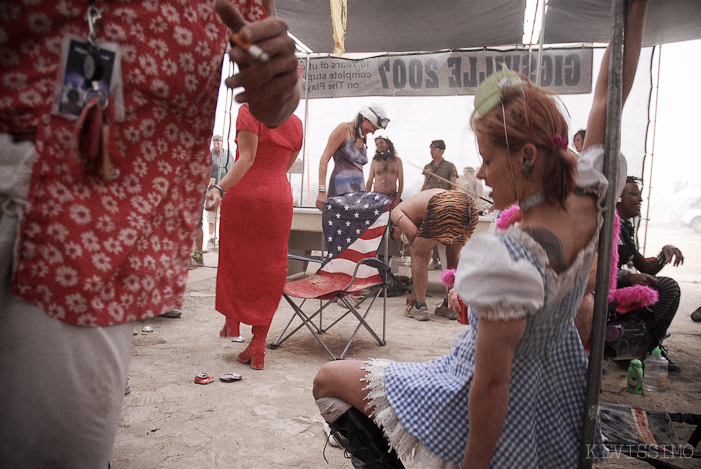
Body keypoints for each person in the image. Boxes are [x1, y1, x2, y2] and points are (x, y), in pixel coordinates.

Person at [312, 2, 648, 467]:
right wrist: (635, 9)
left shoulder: (511, 259)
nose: (484, 176)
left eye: (488, 161)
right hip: (556, 381)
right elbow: (609, 96)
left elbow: (490, 386)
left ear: (526, 156)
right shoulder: (588, 195)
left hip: (475, 386)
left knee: (328, 380)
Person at [0, 0, 301, 466]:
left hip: (98, 216)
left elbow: (268, 97)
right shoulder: (293, 128)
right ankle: (254, 342)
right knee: (265, 267)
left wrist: (277, 86)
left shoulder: (246, 85)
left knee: (61, 445)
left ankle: (239, 330)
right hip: (263, 196)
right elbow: (279, 113)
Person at [206, 103, 302, 369]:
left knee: (236, 259)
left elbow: (246, 159)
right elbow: (285, 166)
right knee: (270, 268)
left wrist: (220, 189)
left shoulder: (250, 110)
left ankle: (233, 320)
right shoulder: (296, 123)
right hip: (278, 197)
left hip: (245, 192)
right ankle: (258, 343)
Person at [616, 175, 683, 372]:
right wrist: (627, 276)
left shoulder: (626, 227)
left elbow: (645, 267)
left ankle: (646, 346)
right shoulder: (606, 222)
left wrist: (664, 254)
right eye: (634, 194)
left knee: (671, 288)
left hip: (620, 281)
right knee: (668, 287)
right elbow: (595, 264)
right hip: (604, 284)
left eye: (640, 195)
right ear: (618, 198)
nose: (640, 199)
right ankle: (628, 343)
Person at [390, 189, 478, 322]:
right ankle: (452, 305)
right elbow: (427, 245)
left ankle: (419, 306)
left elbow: (413, 233)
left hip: (443, 204)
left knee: (417, 252)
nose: (402, 240)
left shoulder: (395, 213)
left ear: (396, 228)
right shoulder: (416, 210)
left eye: (399, 238)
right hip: (468, 205)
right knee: (453, 256)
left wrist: (415, 292)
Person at [315, 105, 389, 210]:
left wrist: (364, 194)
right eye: (373, 128)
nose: (373, 132)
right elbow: (324, 159)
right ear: (365, 120)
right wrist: (322, 191)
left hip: (358, 191)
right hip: (341, 189)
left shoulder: (363, 137)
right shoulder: (343, 129)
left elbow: (359, 167)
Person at [206, 135, 234, 249]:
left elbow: (232, 168)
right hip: (212, 189)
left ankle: (223, 238)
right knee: (211, 215)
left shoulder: (227, 154)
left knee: (224, 214)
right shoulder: (210, 155)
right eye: (215, 141)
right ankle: (211, 237)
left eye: (219, 141)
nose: (216, 143)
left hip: (225, 189)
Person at [365, 136, 404, 205]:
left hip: (392, 197)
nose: (379, 145)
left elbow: (401, 181)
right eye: (377, 144)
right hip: (377, 198)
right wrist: (365, 198)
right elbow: (370, 181)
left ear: (387, 144)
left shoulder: (397, 161)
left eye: (381, 143)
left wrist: (397, 199)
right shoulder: (375, 161)